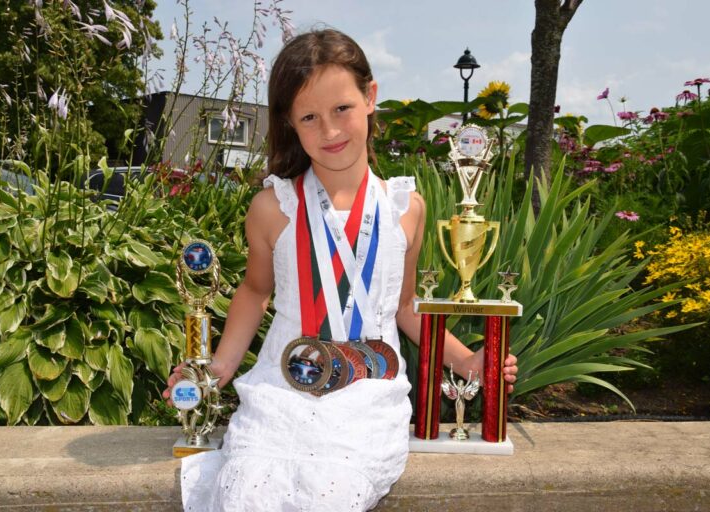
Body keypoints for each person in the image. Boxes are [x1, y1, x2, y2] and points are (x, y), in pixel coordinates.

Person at [171, 28, 518, 511]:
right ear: (290, 123)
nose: (330, 131)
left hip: (367, 396)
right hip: (281, 388)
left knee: (333, 491)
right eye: (309, 117)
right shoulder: (273, 207)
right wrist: (219, 367)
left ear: (370, 97)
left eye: (342, 109)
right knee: (248, 487)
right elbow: (254, 292)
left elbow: (403, 305)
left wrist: (464, 361)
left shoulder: (405, 208)